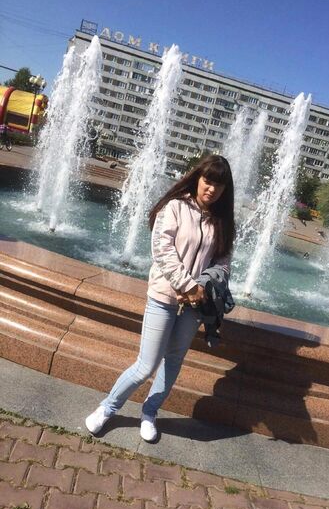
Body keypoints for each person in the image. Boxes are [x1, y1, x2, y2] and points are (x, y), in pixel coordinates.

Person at [85, 154, 235, 441]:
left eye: (219, 185)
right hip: (164, 296)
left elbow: (224, 263)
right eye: (208, 181)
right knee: (146, 365)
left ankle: (150, 412)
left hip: (196, 305)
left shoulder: (223, 221)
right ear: (198, 178)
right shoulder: (175, 207)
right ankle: (108, 408)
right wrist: (186, 285)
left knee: (173, 361)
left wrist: (201, 287)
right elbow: (162, 250)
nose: (212, 189)